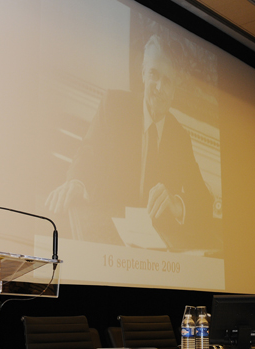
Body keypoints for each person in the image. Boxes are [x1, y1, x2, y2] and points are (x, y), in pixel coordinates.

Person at [45, 34, 215, 251]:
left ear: (174, 89)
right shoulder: (114, 105)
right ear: (143, 73)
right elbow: (88, 152)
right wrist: (77, 182)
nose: (159, 87)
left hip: (154, 253)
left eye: (168, 80)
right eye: (154, 74)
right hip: (105, 238)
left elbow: (204, 202)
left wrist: (177, 204)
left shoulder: (180, 138)